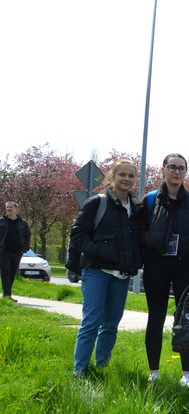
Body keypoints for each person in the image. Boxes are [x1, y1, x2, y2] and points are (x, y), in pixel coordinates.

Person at [69, 159, 143, 374]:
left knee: (111, 325)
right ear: (112, 175)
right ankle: (79, 371)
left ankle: (102, 367)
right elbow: (78, 232)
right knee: (91, 322)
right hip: (96, 272)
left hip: (121, 275)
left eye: (131, 175)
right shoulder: (97, 203)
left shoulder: (136, 208)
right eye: (123, 174)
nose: (127, 179)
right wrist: (99, 251)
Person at [139, 154, 189, 387]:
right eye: (172, 167)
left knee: (185, 318)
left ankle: (187, 373)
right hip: (157, 264)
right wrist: (156, 240)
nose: (177, 172)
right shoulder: (150, 200)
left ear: (186, 172)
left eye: (181, 168)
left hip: (186, 265)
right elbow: (139, 231)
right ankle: (154, 371)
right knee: (155, 317)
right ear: (163, 170)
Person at [1, 201, 31, 299]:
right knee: (5, 272)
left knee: (13, 272)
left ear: (16, 209)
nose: (8, 209)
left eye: (11, 207)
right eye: (7, 207)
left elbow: (27, 236)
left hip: (17, 252)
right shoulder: (1, 221)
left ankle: (7, 293)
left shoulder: (23, 223)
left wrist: (25, 248)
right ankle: (7, 295)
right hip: (4, 252)